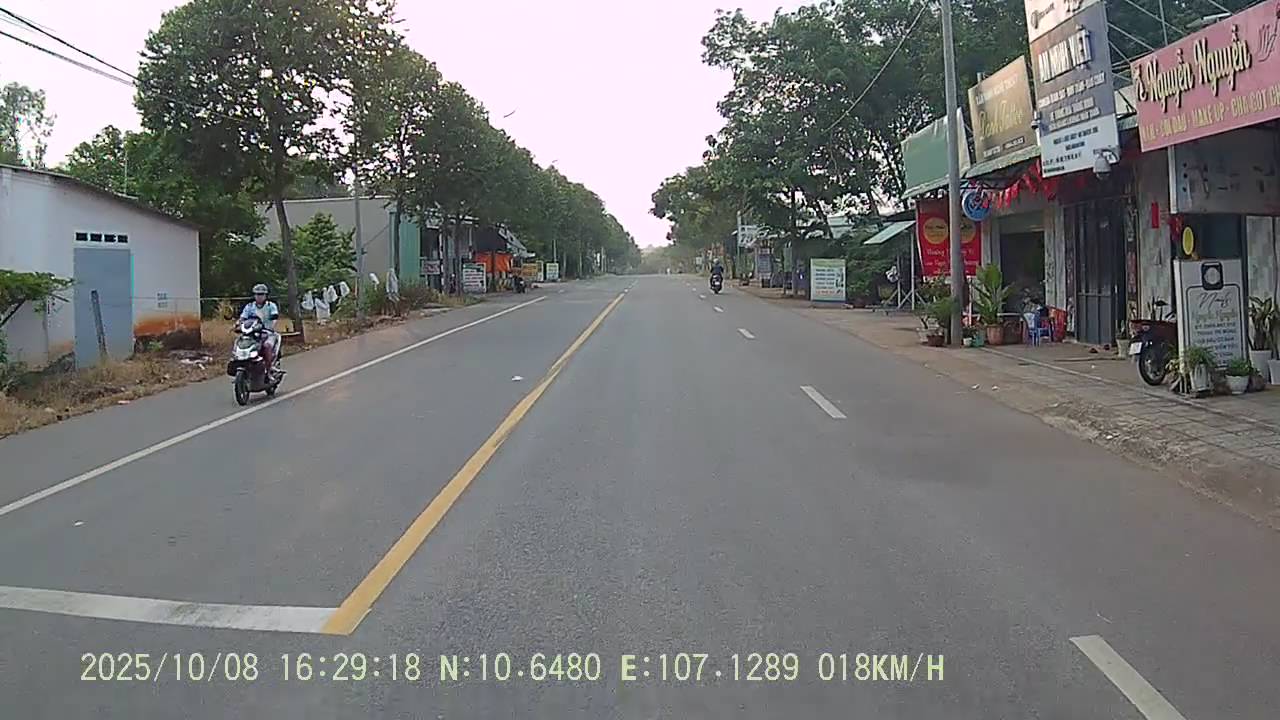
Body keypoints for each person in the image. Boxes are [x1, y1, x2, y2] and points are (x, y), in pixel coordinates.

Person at [240, 283, 282, 373]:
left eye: (262, 294)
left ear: (266, 295)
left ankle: (269, 368)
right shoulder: (249, 306)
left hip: (267, 332)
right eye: (257, 294)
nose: (259, 297)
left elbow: (275, 315)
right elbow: (243, 317)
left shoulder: (271, 306)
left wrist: (273, 318)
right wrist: (239, 324)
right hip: (252, 333)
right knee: (241, 342)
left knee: (267, 346)